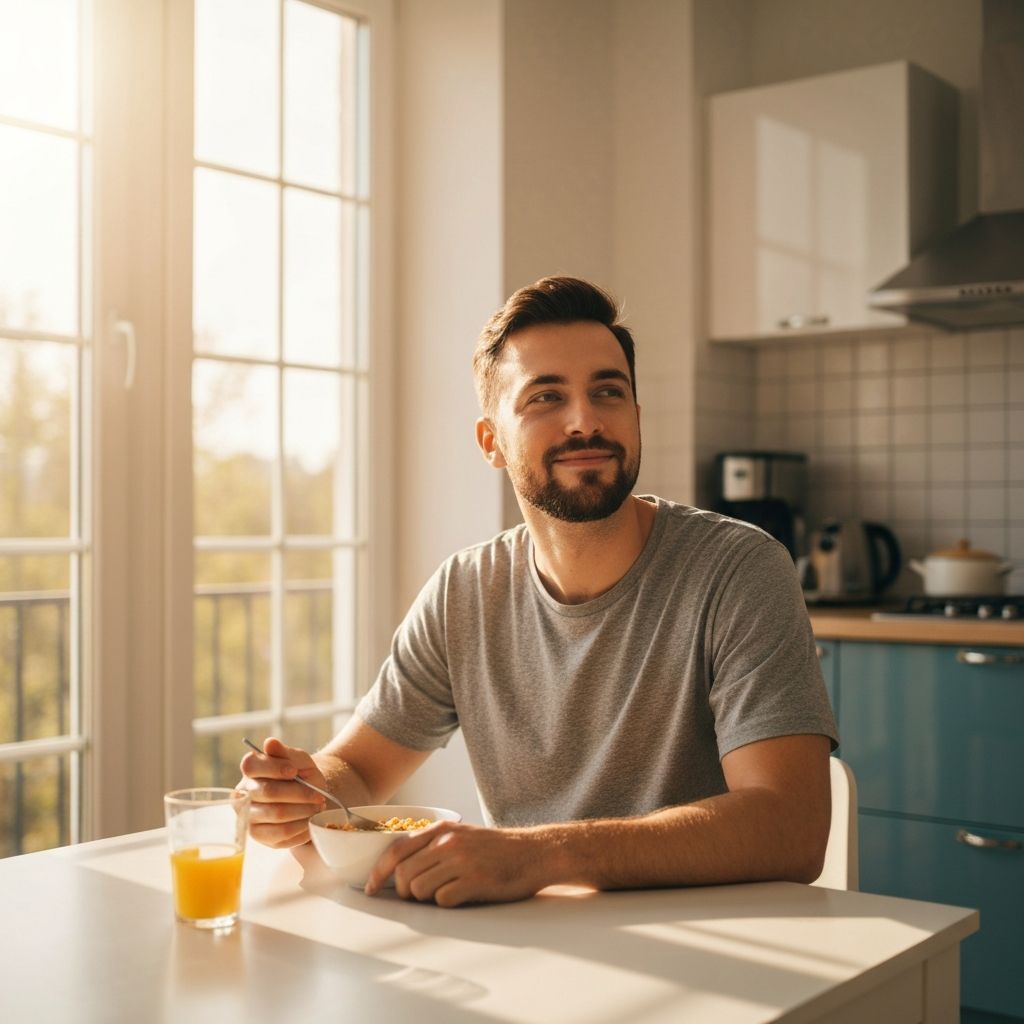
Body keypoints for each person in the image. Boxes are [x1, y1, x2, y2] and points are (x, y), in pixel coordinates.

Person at [238, 276, 838, 908]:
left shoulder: (740, 570)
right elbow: (358, 772)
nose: (586, 421)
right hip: (532, 944)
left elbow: (791, 827)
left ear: (637, 418)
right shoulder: (463, 592)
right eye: (546, 397)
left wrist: (541, 854)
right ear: (491, 442)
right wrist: (305, 791)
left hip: (719, 943)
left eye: (608, 392)